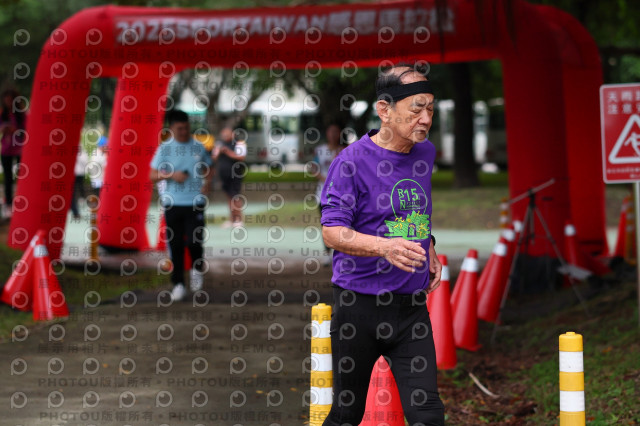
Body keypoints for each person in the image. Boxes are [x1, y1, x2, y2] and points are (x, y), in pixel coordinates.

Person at [320, 63, 445, 425]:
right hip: (358, 307)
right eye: (417, 109)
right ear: (385, 109)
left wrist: (429, 244)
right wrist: (385, 247)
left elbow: (413, 209)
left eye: (430, 108)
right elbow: (332, 232)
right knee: (347, 413)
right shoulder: (350, 163)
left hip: (411, 309)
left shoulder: (425, 153)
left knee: (427, 413)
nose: (426, 119)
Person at [150, 110, 213, 302]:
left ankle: (196, 268)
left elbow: (209, 167)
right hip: (173, 203)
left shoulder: (198, 146)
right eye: (180, 129)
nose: (184, 132)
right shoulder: (165, 149)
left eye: (186, 128)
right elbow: (152, 175)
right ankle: (178, 283)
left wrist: (207, 183)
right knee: (175, 244)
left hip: (195, 202)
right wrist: (171, 175)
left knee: (194, 241)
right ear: (171, 129)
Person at [313, 123, 347, 263]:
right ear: (327, 133)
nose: (333, 135)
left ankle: (341, 253)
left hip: (341, 195)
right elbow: (313, 168)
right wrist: (326, 180)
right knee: (326, 224)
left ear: (340, 134)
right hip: (322, 194)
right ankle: (327, 253)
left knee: (341, 224)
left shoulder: (345, 150)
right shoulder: (320, 150)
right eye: (330, 132)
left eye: (336, 132)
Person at [212, 127, 247, 228]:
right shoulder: (219, 144)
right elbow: (214, 157)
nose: (225, 136)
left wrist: (227, 152)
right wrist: (219, 151)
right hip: (224, 174)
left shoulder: (239, 143)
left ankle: (239, 219)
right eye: (223, 134)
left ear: (232, 134)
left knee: (235, 196)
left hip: (235, 174)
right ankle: (232, 219)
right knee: (229, 197)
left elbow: (241, 157)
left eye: (227, 134)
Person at [0, 88, 26, 219]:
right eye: (6, 100)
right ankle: (9, 205)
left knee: (21, 177)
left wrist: (15, 130)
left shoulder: (22, 115)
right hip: (6, 150)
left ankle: (22, 202)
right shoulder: (2, 114)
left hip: (20, 149)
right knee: (8, 178)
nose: (8, 102)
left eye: (10, 100)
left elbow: (26, 131)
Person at [70, 145, 89, 219]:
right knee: (72, 192)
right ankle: (75, 211)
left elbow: (85, 162)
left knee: (80, 188)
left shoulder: (82, 154)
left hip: (80, 174)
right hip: (73, 174)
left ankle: (82, 199)